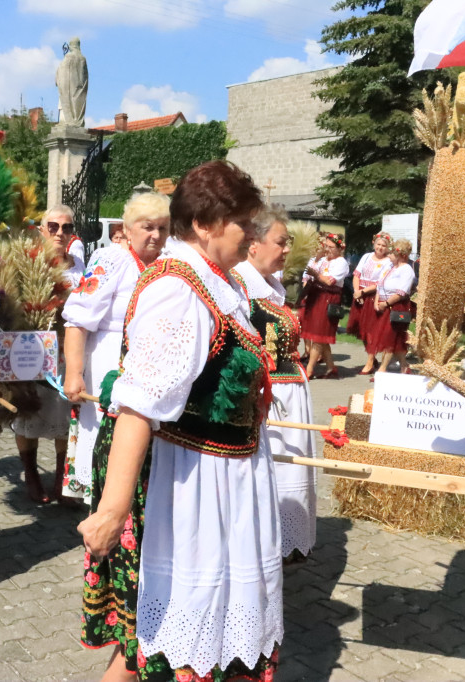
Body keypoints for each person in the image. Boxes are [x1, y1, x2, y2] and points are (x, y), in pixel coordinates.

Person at [79, 161, 281, 682]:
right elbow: (140, 405)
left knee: (168, 632)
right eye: (244, 224)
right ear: (206, 224)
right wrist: (111, 510)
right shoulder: (178, 290)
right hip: (190, 483)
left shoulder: (219, 281)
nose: (252, 236)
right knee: (172, 628)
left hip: (223, 476)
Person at [62, 192, 170, 503]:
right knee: (107, 448)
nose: (156, 235)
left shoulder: (164, 265)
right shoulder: (111, 260)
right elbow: (77, 321)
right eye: (148, 227)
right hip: (109, 366)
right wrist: (73, 373)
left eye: (163, 228)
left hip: (148, 373)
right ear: (127, 228)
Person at [233, 204, 318, 563]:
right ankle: (267, 541)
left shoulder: (273, 285)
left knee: (292, 466)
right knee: (273, 468)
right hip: (269, 392)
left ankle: (290, 539)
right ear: (253, 243)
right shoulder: (238, 284)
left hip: (291, 387)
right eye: (280, 242)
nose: (286, 250)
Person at [11, 204, 85, 504]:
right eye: (53, 226)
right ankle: (30, 473)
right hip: (33, 350)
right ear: (42, 230)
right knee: (28, 412)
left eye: (66, 227)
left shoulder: (80, 265)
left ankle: (61, 477)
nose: (59, 232)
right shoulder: (28, 262)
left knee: (64, 414)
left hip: (68, 351)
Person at [300, 234, 349, 379]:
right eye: (326, 246)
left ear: (340, 249)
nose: (327, 249)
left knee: (319, 336)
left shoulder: (341, 263)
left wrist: (316, 274)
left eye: (331, 247)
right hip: (316, 296)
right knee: (319, 335)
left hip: (328, 298)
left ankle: (309, 369)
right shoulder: (322, 260)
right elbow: (309, 274)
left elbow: (329, 282)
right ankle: (331, 367)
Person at [349, 233, 393, 374]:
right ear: (374, 244)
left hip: (373, 296)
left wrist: (363, 292)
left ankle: (369, 361)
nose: (380, 247)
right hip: (360, 295)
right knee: (361, 328)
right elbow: (357, 274)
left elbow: (380, 282)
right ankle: (372, 359)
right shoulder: (366, 256)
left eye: (383, 245)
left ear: (387, 248)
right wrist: (356, 291)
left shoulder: (388, 262)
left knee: (371, 330)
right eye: (378, 244)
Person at [370, 239, 416, 376]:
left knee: (389, 337)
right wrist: (377, 301)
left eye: (392, 253)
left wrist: (387, 303)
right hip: (384, 305)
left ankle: (382, 369)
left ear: (400, 255)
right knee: (395, 338)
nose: (389, 256)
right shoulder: (390, 267)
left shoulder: (407, 270)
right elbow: (379, 285)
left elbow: (401, 292)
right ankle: (404, 366)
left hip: (396, 306)